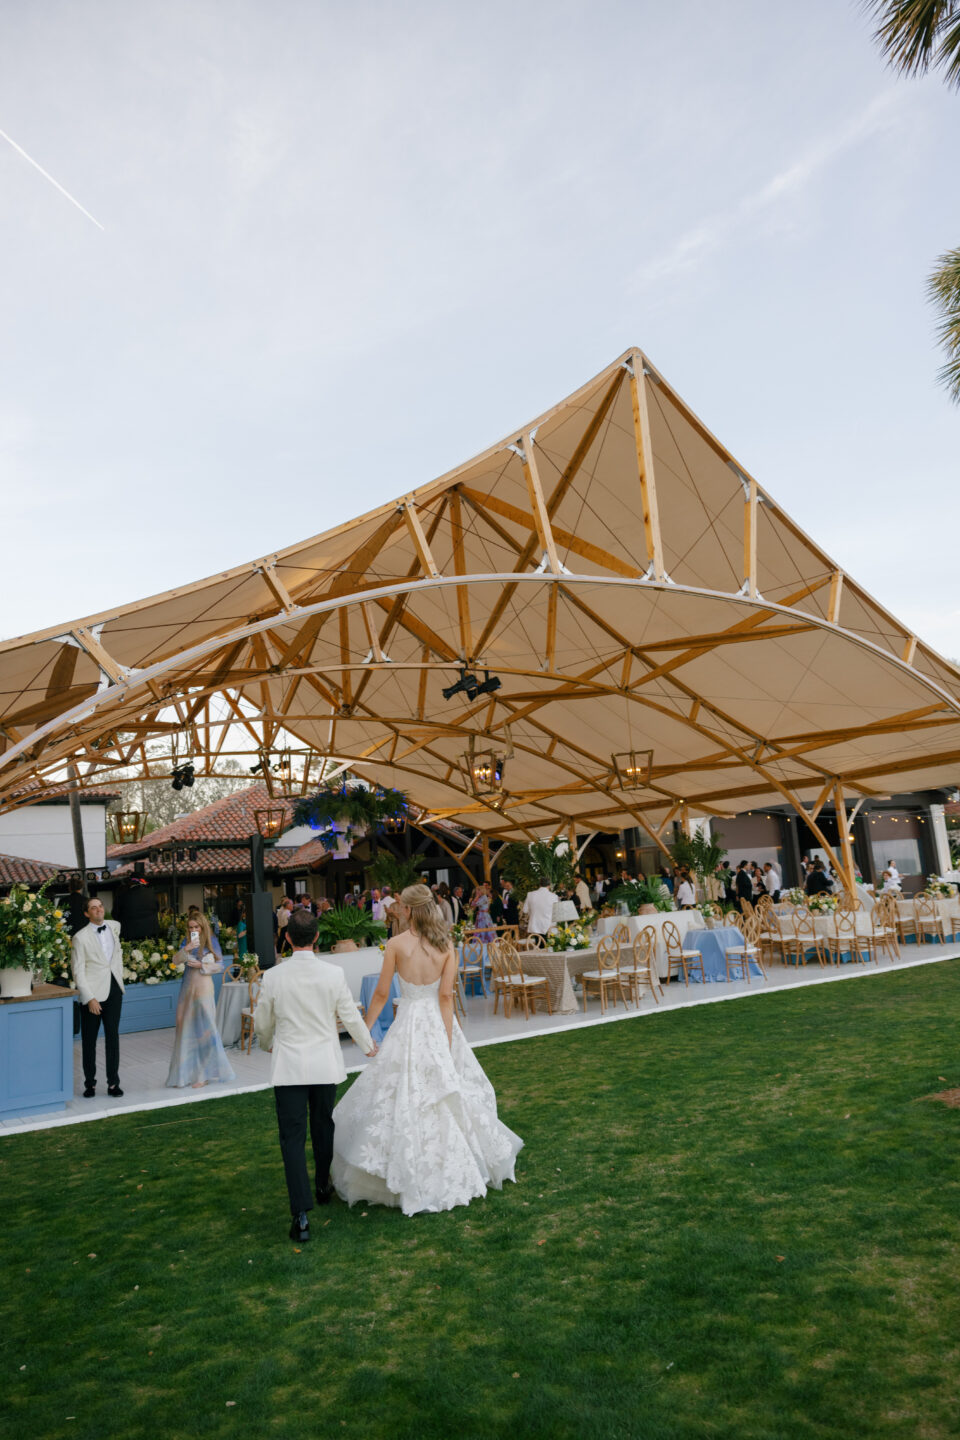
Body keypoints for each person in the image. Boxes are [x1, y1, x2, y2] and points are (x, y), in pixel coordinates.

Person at [331, 884, 522, 1216]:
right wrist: (447, 1042)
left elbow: (379, 995)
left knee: (400, 1093)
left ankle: (401, 1170)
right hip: (436, 1023)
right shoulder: (446, 945)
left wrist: (363, 1032)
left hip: (407, 1023)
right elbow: (446, 998)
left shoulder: (395, 945)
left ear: (406, 910)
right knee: (444, 1092)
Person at [254, 907, 377, 1241]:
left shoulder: (273, 976)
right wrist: (367, 1045)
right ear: (318, 938)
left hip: (289, 1067)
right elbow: (349, 1015)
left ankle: (301, 1215)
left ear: (287, 938)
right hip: (324, 1065)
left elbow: (262, 1021)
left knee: (292, 1139)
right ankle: (322, 1185)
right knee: (323, 1127)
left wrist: (266, 1042)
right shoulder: (332, 973)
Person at [166, 914, 235, 1090]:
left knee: (205, 1030)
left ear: (203, 927)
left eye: (196, 927)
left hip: (204, 987)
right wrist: (187, 949)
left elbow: (219, 965)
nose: (193, 930)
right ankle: (183, 1075)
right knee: (184, 1027)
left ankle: (204, 1075)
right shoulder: (185, 941)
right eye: (190, 927)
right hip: (187, 987)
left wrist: (202, 966)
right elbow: (175, 961)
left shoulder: (212, 940)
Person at [71, 896, 125, 1099]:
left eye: (100, 906)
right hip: (92, 995)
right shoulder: (80, 937)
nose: (98, 910)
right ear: (87, 913)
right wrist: (90, 998)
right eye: (93, 908)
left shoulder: (114, 926)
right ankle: (90, 1084)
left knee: (113, 1037)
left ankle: (113, 1083)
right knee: (89, 1041)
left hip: (114, 990)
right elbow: (78, 972)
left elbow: (114, 957)